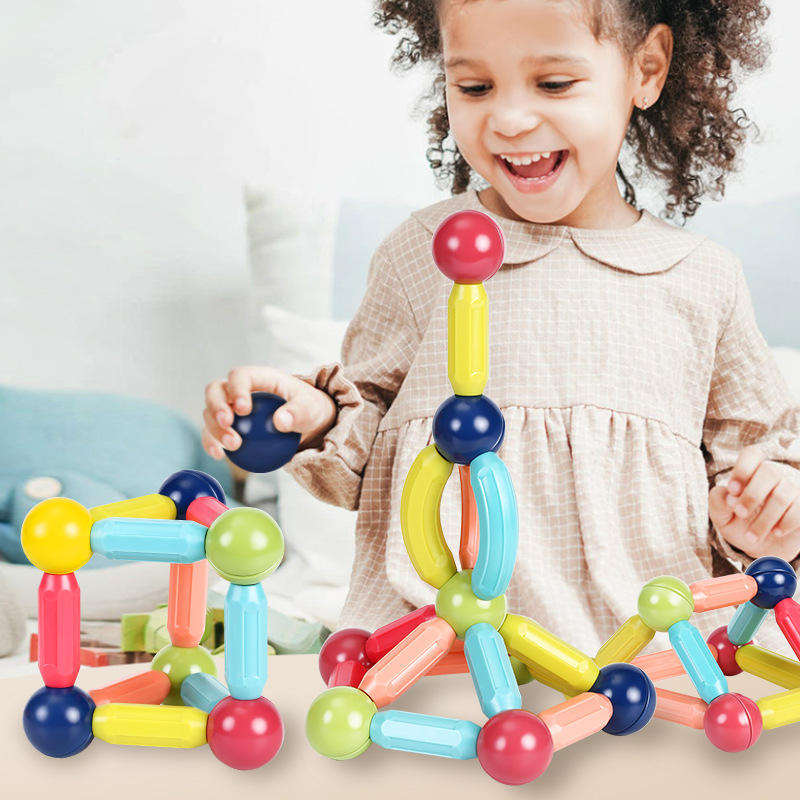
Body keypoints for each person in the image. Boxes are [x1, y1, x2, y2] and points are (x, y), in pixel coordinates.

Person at [202, 0, 800, 652]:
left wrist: (767, 511)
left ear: (647, 69)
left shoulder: (702, 279)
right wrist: (312, 416)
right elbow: (364, 443)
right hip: (439, 654)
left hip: (646, 663)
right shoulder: (421, 254)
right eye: (475, 86)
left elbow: (757, 466)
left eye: (554, 83)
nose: (510, 119)